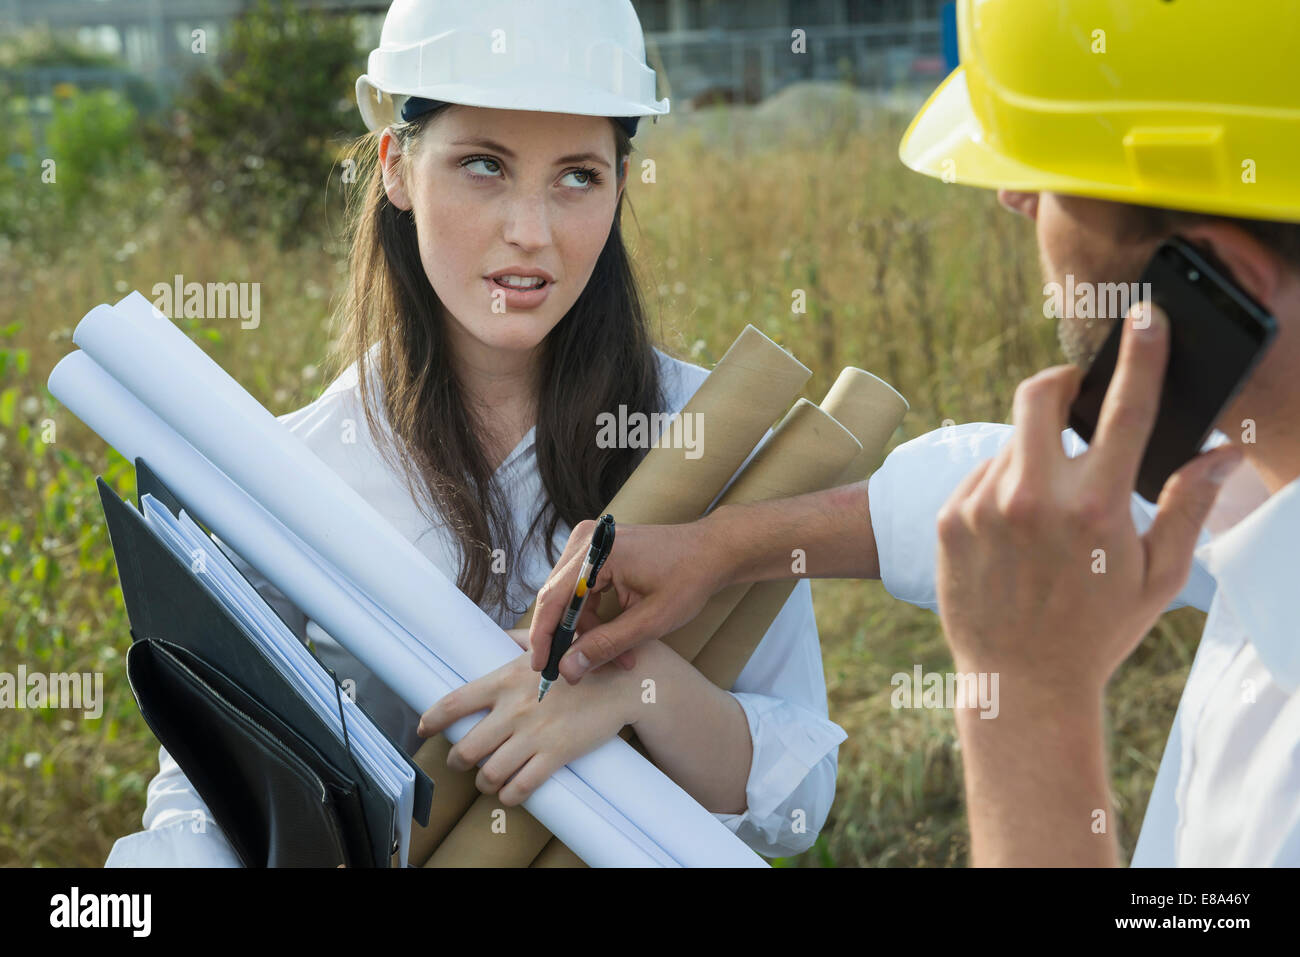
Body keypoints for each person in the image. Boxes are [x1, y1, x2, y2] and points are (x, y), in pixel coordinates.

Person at [526, 0, 1300, 866]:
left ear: (1215, 282)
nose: (1012, 197)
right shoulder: (1255, 476)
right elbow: (1056, 484)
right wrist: (724, 544)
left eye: (1045, 176)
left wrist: (1032, 700)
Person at [105, 0, 843, 867]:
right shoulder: (291, 474)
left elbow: (797, 809)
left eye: (578, 176)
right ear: (396, 169)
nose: (531, 232)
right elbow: (206, 788)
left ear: (622, 180)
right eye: (484, 165)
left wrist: (637, 690)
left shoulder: (710, 440)